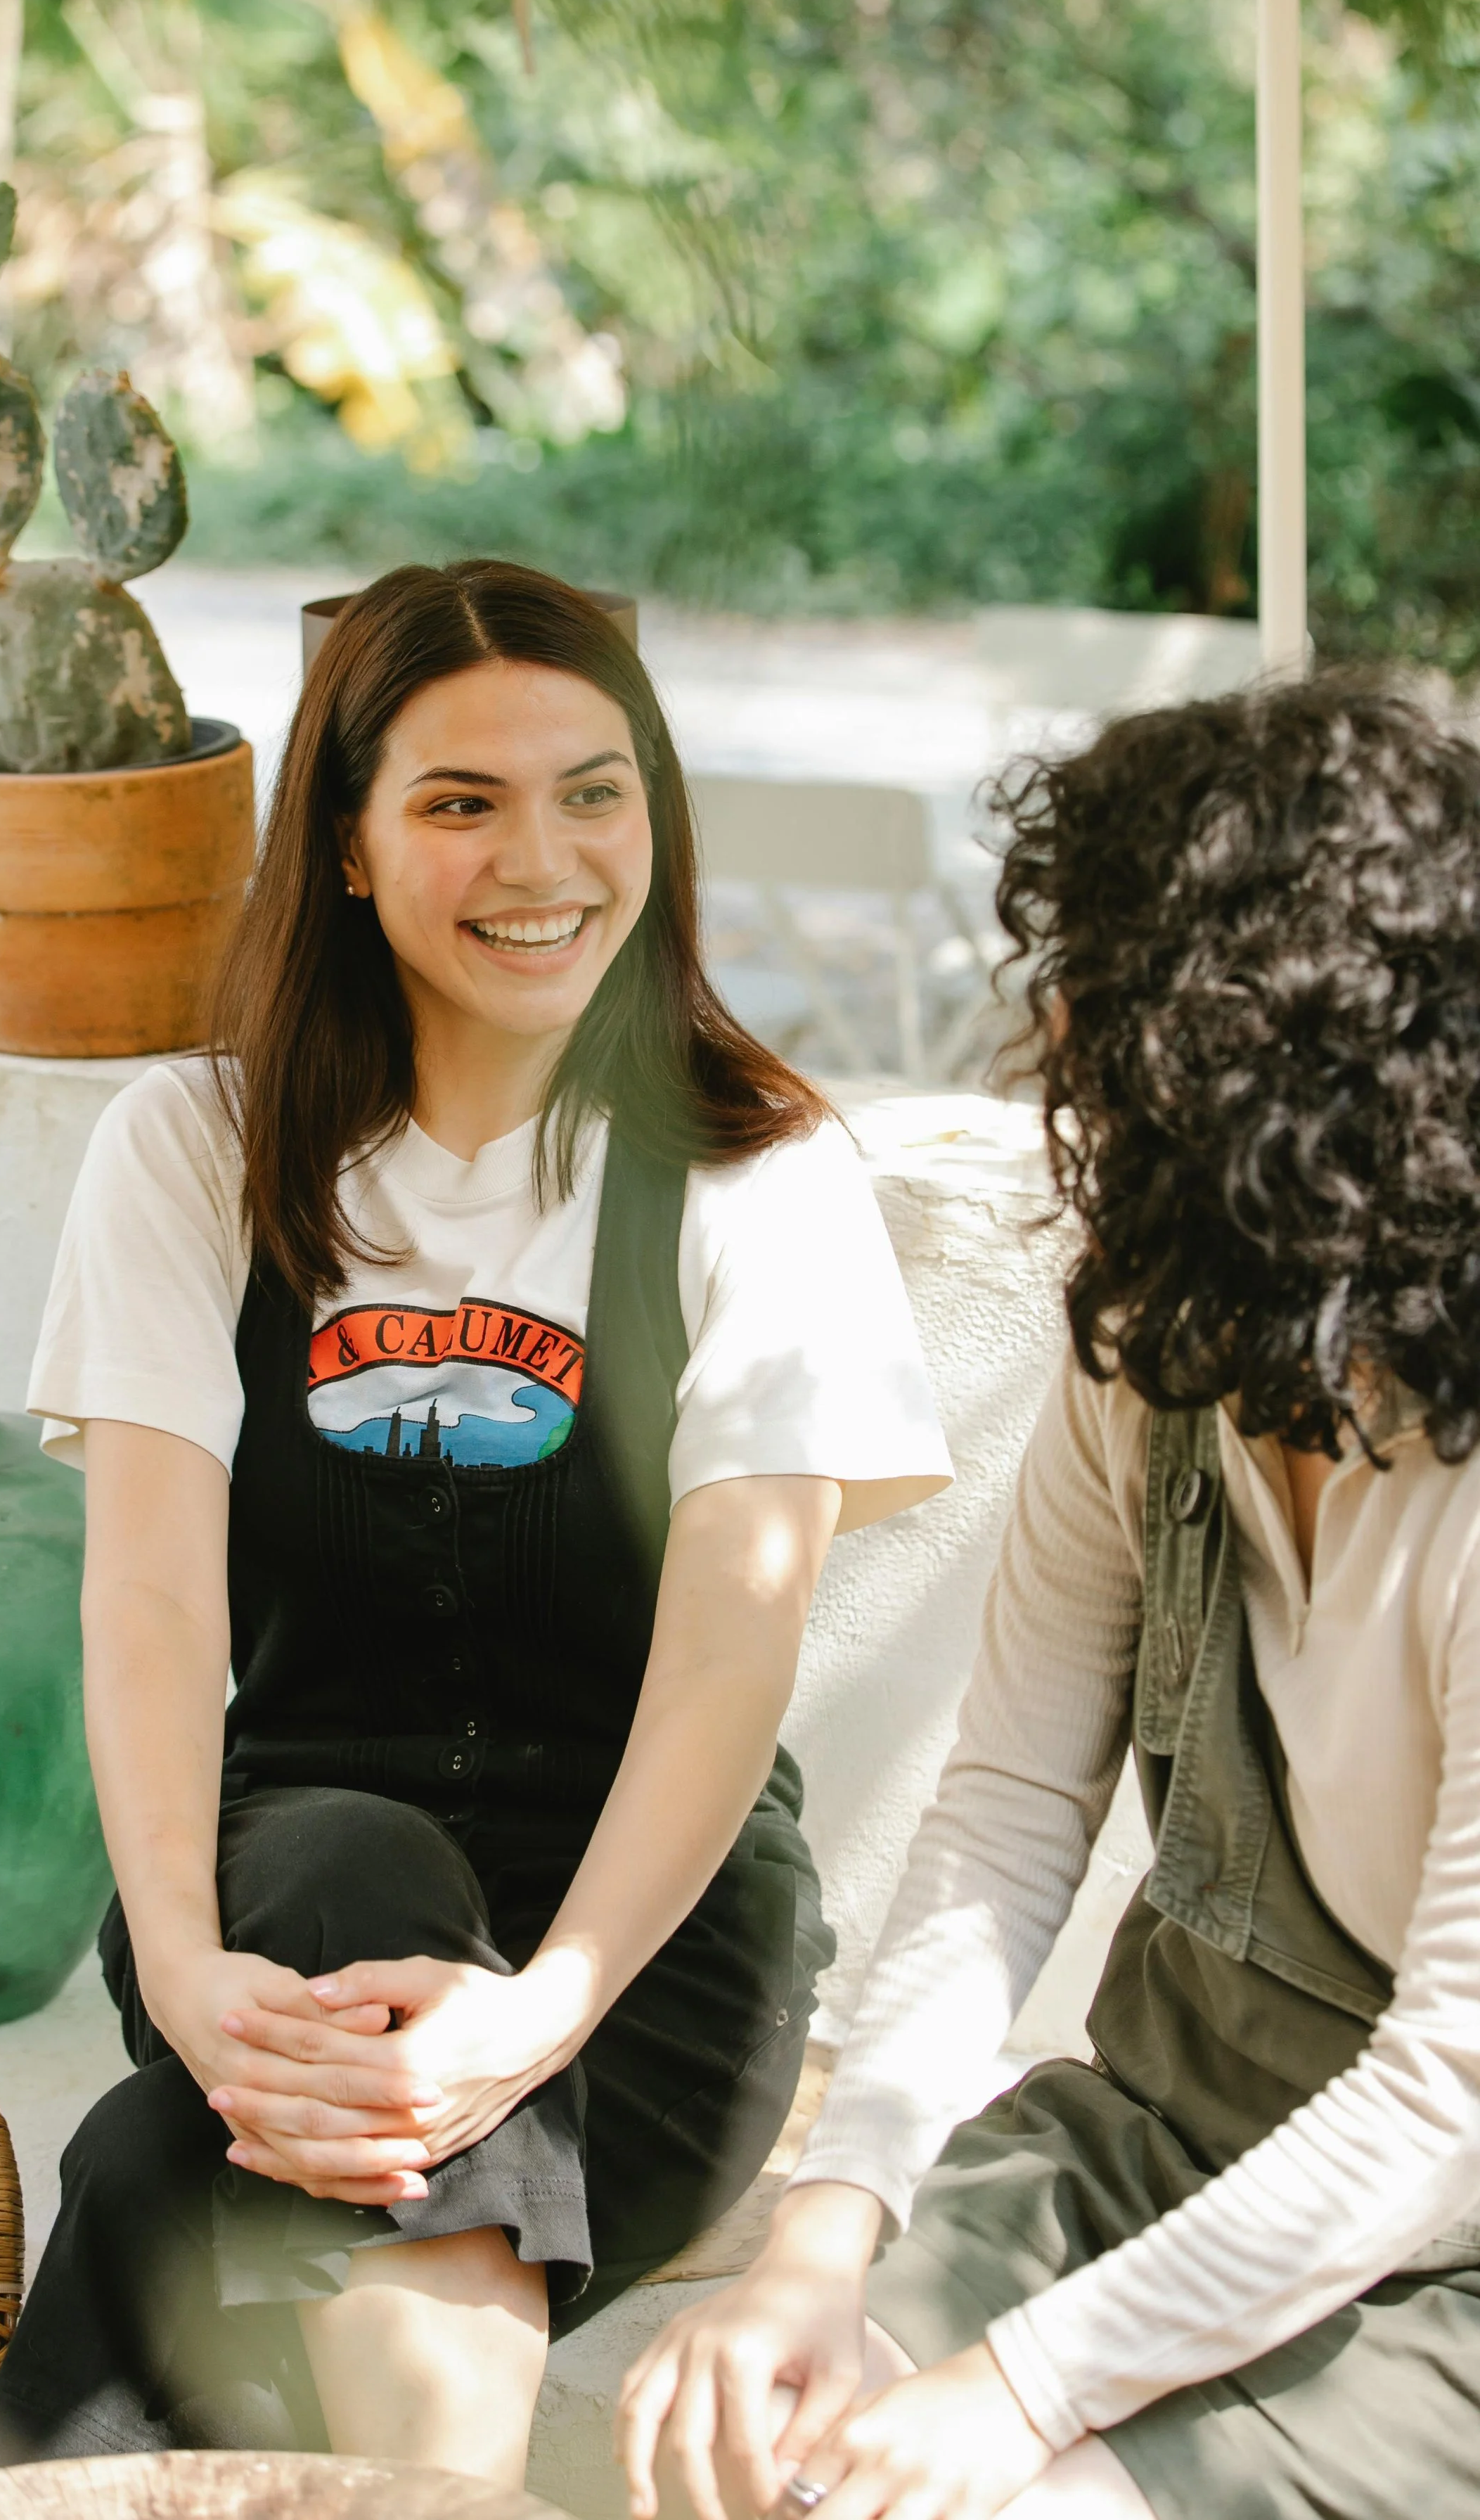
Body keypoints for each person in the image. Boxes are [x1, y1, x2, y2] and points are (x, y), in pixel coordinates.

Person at [0, 560, 951, 2482]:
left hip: (648, 1961)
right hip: (271, 1923)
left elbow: (728, 1656)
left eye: (597, 789)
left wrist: (536, 2015)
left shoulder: (757, 1175)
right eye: (459, 802)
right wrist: (179, 1968)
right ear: (340, 848)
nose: (547, 857)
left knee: (160, 2163)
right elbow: (153, 1611)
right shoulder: (191, 1152)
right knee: (343, 1851)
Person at [618, 675, 1480, 2520]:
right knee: (739, 2444)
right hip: (1155, 2141)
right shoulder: (1159, 1344)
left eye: (1092, 987)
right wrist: (824, 2242)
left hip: (1450, 2267)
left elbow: (1444, 2103)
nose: (1053, 1035)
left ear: (1246, 1047)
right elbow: (1007, 1815)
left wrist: (1020, 2396)